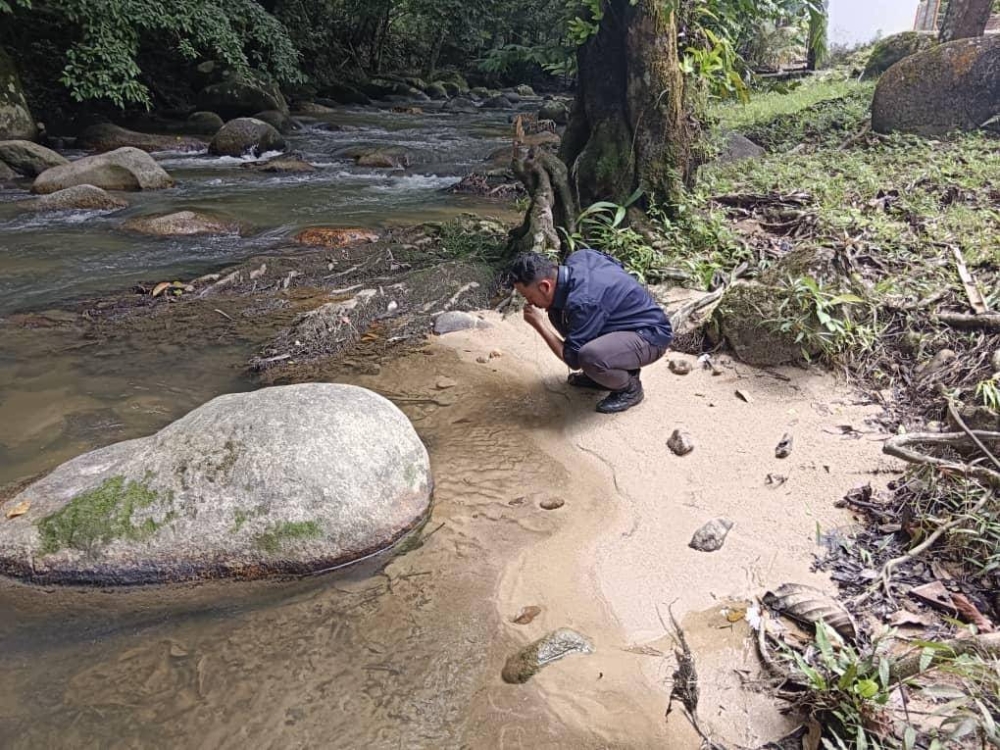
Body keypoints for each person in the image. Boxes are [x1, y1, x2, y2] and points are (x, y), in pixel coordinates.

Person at [509, 249, 673, 413]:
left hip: (651, 336)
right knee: (556, 311)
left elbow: (573, 361)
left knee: (589, 356)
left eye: (528, 296)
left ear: (545, 286)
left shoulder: (582, 302)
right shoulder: (579, 257)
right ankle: (602, 374)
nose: (529, 302)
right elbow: (616, 265)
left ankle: (630, 388)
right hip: (622, 324)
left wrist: (539, 324)